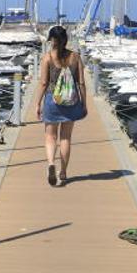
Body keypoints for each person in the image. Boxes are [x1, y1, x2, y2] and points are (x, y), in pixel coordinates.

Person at [34, 25, 87, 187]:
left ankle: (51, 163)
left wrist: (37, 103)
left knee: (50, 136)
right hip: (71, 101)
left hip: (52, 100)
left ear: (51, 40)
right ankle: (63, 172)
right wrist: (83, 103)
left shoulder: (47, 58)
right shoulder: (75, 57)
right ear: (66, 39)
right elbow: (82, 83)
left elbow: (43, 83)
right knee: (66, 137)